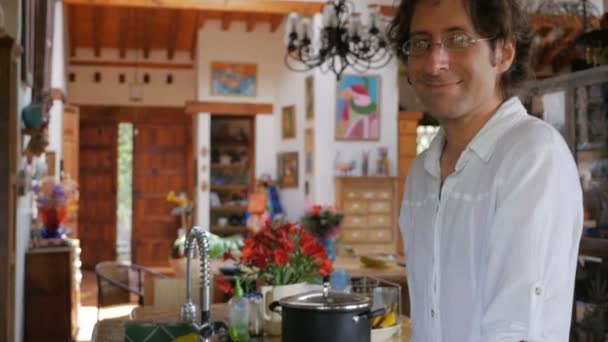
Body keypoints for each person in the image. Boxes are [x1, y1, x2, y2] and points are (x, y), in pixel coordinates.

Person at [388, 0, 583, 341]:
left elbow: (516, 329)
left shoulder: (532, 155)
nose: (435, 63)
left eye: (458, 39)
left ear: (504, 53)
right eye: (420, 43)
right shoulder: (423, 171)